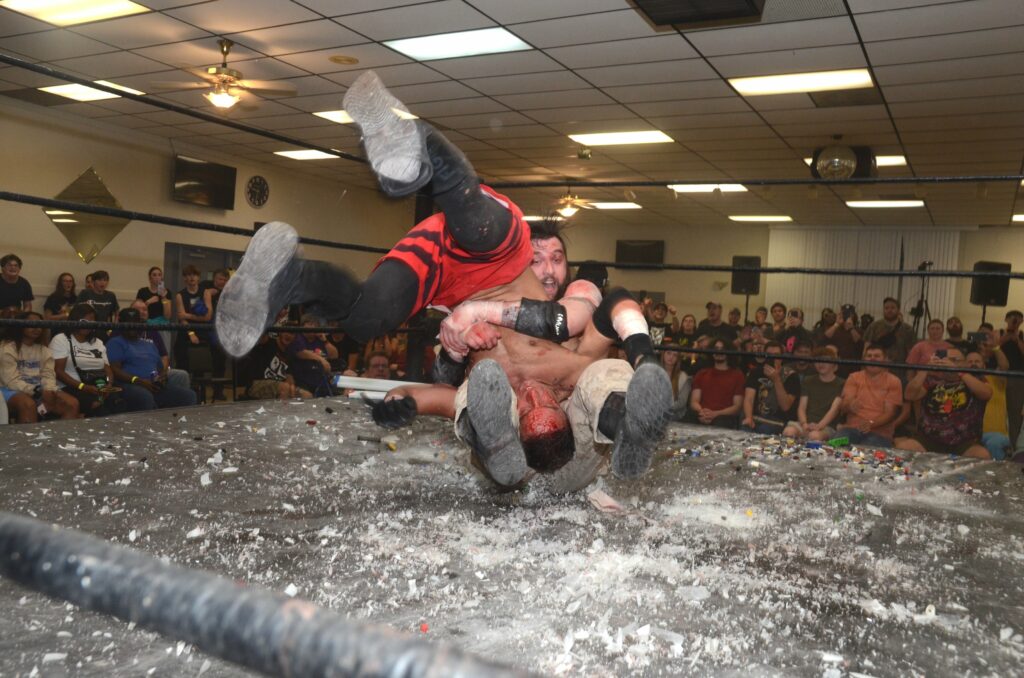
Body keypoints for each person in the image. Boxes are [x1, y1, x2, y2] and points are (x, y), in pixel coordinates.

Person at [217, 71, 540, 359]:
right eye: (550, 256)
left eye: (556, 261)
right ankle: (417, 141)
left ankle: (291, 278)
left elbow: (449, 365)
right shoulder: (568, 304)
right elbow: (569, 317)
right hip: (498, 254)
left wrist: (459, 342)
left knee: (365, 319)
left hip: (442, 280)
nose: (550, 268)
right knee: (479, 229)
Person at [895, 346, 991, 459]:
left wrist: (958, 371)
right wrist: (925, 369)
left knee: (982, 455)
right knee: (904, 447)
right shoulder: (932, 380)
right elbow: (909, 395)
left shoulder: (975, 379)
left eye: (955, 360)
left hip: (964, 441)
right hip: (929, 438)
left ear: (964, 363)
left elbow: (986, 394)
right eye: (947, 360)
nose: (950, 363)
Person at [106, 308, 198, 411]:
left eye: (135, 322)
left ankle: (180, 424)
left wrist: (162, 377)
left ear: (140, 323)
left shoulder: (149, 344)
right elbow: (115, 370)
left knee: (189, 395)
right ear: (121, 323)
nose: (132, 326)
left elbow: (160, 368)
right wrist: (139, 381)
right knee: (145, 396)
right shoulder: (115, 343)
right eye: (128, 323)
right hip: (129, 384)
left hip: (153, 385)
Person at [1, 311, 79, 422]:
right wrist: (38, 393)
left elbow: (48, 375)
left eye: (39, 325)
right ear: (20, 326)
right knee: (28, 404)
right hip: (9, 389)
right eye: (32, 324)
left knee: (72, 403)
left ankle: (60, 438)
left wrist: (49, 391)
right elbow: (11, 381)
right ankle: (28, 439)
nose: (37, 328)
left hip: (39, 389)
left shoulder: (44, 350)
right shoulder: (7, 348)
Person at [49, 303, 126, 417]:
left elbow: (107, 368)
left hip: (98, 386)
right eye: (83, 320)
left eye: (91, 321)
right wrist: (83, 387)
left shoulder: (97, 342)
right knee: (99, 408)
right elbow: (58, 372)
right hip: (72, 387)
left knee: (119, 404)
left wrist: (109, 385)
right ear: (74, 320)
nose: (87, 324)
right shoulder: (61, 339)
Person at [835, 345, 903, 447]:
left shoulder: (894, 381)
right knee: (833, 444)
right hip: (851, 430)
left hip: (879, 434)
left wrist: (871, 424)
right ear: (864, 359)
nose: (872, 358)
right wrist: (849, 406)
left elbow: (890, 414)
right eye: (869, 356)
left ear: (885, 360)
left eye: (877, 356)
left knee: (863, 453)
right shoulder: (854, 377)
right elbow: (843, 406)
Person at [783, 347, 844, 441]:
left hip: (827, 426)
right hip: (805, 423)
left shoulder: (841, 383)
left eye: (825, 361)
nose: (821, 364)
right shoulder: (808, 380)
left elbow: (834, 410)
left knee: (814, 436)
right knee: (788, 432)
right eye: (818, 361)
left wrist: (819, 426)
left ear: (833, 363)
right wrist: (804, 424)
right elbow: (802, 407)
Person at [741, 341, 800, 435]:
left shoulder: (791, 376)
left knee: (765, 430)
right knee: (745, 428)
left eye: (776, 355)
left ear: (782, 357)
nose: (773, 358)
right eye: (769, 354)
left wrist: (776, 379)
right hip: (756, 417)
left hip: (778, 421)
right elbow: (749, 398)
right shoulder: (756, 372)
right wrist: (748, 417)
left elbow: (785, 406)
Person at [688, 339, 745, 428]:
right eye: (716, 348)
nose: (719, 352)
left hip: (724, 417)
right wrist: (702, 413)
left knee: (721, 423)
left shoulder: (738, 375)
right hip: (701, 414)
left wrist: (715, 414)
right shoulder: (702, 373)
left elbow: (737, 407)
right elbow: (694, 401)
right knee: (687, 418)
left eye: (722, 349)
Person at [245, 328, 311, 400]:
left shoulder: (289, 354)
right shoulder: (268, 342)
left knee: (307, 395)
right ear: (279, 331)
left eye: (292, 333)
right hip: (256, 385)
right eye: (285, 330)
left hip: (281, 388)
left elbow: (289, 378)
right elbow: (261, 331)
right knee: (285, 388)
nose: (288, 335)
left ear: (295, 337)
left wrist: (292, 388)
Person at [288, 316, 340, 396]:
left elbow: (334, 355)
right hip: (302, 380)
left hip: (321, 379)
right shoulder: (298, 337)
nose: (312, 326)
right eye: (309, 324)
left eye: (315, 324)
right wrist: (320, 359)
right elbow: (299, 352)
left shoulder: (319, 339)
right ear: (303, 326)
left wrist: (325, 341)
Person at [862, 297, 917, 368]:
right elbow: (866, 349)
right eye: (886, 308)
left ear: (898, 310)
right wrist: (864, 368)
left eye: (892, 308)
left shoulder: (907, 329)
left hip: (900, 371)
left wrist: (910, 372)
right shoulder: (873, 327)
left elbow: (911, 354)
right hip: (876, 370)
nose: (889, 310)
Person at [173, 265, 208, 370]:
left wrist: (187, 315)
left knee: (199, 367)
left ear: (198, 277)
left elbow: (207, 317)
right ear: (184, 278)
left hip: (202, 331)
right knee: (183, 364)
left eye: (195, 275)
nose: (192, 277)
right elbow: (182, 318)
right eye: (189, 275)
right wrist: (191, 333)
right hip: (186, 331)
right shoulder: (180, 295)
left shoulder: (205, 292)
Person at [998, 310, 1024, 448]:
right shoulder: (999, 333)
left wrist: (1017, 340)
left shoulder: (1021, 336)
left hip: (1017, 378)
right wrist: (1006, 338)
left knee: (1015, 413)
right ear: (1006, 319)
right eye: (1012, 318)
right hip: (998, 377)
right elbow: (992, 348)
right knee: (997, 410)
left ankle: (1014, 445)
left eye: (1019, 318)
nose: (1015, 320)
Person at [820, 304, 862, 376]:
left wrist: (851, 327)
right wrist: (836, 324)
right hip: (835, 368)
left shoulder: (857, 330)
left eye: (849, 314)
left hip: (852, 368)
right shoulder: (834, 328)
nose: (846, 316)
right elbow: (825, 338)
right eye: (844, 314)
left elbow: (859, 342)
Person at [659, 342, 690, 422]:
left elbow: (681, 403)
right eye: (668, 353)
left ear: (678, 359)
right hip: (656, 412)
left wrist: (663, 408)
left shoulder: (683, 377)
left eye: (675, 355)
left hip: (675, 414)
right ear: (663, 354)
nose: (671, 357)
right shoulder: (654, 373)